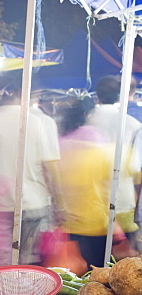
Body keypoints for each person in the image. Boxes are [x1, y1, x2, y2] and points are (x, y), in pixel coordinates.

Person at [0, 81, 64, 265]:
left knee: (1, 265)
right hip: (33, 204)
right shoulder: (38, 122)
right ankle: (27, 292)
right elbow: (49, 169)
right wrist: (59, 205)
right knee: (27, 264)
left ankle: (6, 292)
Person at [55, 96, 112, 268]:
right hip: (95, 219)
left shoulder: (60, 141)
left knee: (74, 277)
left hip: (68, 222)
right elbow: (106, 180)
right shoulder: (96, 138)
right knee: (97, 273)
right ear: (88, 114)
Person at [91, 75, 142, 249]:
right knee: (123, 265)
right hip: (122, 198)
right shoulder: (133, 124)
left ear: (97, 95)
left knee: (92, 262)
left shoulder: (86, 119)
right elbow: (135, 167)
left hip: (89, 202)